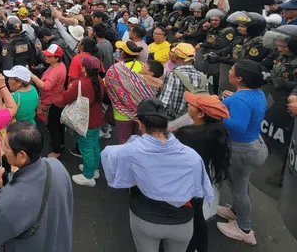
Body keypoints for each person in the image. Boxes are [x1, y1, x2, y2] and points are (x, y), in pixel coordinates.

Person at [101, 98, 214, 252]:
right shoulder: (192, 156)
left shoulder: (131, 151)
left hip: (145, 218)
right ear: (166, 124)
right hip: (182, 223)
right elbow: (199, 191)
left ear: (140, 124)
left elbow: (108, 156)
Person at [0, 121, 74, 252]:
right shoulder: (56, 166)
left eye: (6, 145)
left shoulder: (12, 199)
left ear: (22, 156)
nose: (3, 150)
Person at [217, 60, 269, 246]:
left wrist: (218, 112)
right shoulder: (255, 93)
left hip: (242, 149)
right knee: (241, 184)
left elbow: (238, 126)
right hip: (254, 145)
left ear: (239, 78)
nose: (229, 71)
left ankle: (244, 229)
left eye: (231, 70)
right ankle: (236, 212)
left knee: (239, 188)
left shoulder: (240, 99)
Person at [175, 93, 231, 252]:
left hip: (186, 184)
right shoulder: (216, 131)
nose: (188, 106)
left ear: (201, 114)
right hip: (201, 183)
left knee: (187, 218)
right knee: (198, 217)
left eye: (192, 105)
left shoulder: (187, 134)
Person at [59, 56, 104, 187]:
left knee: (86, 149)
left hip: (85, 122)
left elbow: (66, 97)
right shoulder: (99, 80)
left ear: (84, 68)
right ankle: (94, 170)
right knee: (94, 145)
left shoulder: (81, 84)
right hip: (96, 119)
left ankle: (88, 177)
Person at [30, 44, 68, 158]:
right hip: (58, 100)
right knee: (59, 125)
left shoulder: (56, 70)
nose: (45, 57)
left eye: (49, 56)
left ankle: (56, 151)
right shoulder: (59, 65)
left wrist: (33, 76)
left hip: (53, 103)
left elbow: (46, 86)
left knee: (53, 127)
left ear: (56, 58)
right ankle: (60, 144)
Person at [157, 43, 206, 120]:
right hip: (195, 120)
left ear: (176, 57)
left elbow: (164, 102)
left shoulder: (173, 75)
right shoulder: (202, 76)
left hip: (174, 120)